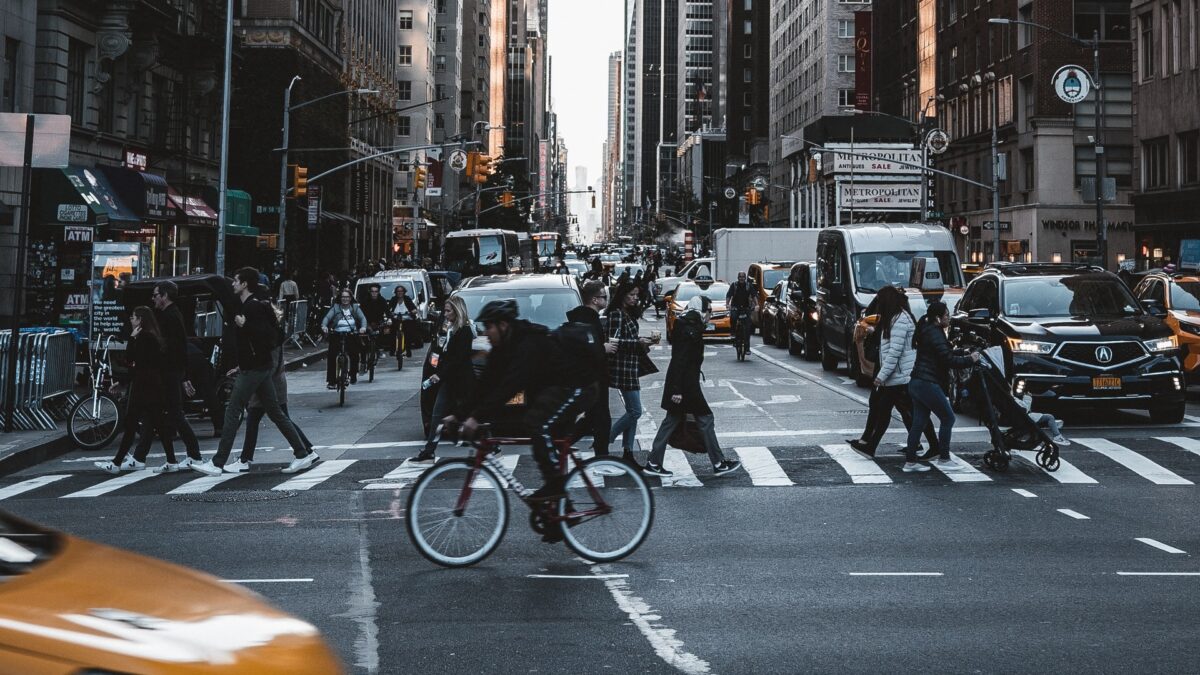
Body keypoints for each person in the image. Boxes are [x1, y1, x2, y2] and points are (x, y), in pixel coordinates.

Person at [443, 299, 597, 503]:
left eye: (488, 326)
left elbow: (509, 387)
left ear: (503, 325)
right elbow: (486, 385)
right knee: (534, 428)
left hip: (577, 386)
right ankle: (559, 514)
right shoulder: (502, 347)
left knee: (537, 423)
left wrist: (476, 417)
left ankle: (555, 489)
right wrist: (460, 414)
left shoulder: (527, 343)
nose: (485, 332)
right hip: (553, 390)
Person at [192, 267, 316, 476]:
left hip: (254, 368)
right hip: (258, 367)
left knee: (233, 410)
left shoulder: (252, 309)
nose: (233, 284)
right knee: (276, 412)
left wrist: (244, 326)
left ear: (244, 284)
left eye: (236, 281)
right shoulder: (250, 307)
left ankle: (217, 462)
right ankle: (302, 453)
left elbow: (264, 340)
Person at [643, 296, 742, 478]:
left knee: (671, 421)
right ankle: (718, 463)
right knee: (705, 419)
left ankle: (654, 462)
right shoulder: (690, 328)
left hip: (684, 384)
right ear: (702, 310)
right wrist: (677, 390)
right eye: (709, 311)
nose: (710, 316)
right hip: (686, 387)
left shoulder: (688, 324)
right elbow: (681, 360)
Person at [848, 287, 938, 457]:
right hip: (898, 375)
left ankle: (872, 446)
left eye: (880, 302)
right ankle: (872, 446)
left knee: (903, 412)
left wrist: (880, 377)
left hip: (900, 376)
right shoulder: (896, 319)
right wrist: (872, 331)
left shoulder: (899, 320)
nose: (879, 306)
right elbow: (891, 345)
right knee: (894, 411)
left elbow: (894, 353)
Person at [95, 307, 179, 474]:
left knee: (131, 424)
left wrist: (132, 339)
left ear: (140, 319)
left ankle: (116, 463)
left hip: (142, 388)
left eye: (133, 317)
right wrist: (123, 382)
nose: (131, 320)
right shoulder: (153, 337)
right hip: (153, 387)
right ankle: (171, 461)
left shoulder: (143, 338)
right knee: (159, 426)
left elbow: (131, 360)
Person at [904, 300, 980, 472]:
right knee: (948, 418)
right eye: (946, 315)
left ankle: (910, 462)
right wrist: (970, 359)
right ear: (938, 318)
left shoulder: (927, 330)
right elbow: (947, 360)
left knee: (919, 422)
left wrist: (962, 352)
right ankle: (944, 458)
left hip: (917, 381)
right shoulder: (936, 333)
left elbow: (942, 353)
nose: (949, 318)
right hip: (927, 383)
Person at [136, 281, 204, 471]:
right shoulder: (169, 314)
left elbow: (176, 348)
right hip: (170, 372)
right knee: (154, 413)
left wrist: (183, 376)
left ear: (165, 296)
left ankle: (194, 455)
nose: (153, 298)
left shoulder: (171, 316)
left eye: (156, 295)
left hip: (170, 373)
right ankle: (140, 457)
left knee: (174, 414)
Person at [412, 296, 476, 463]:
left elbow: (458, 359)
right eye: (445, 311)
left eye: (448, 311)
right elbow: (443, 355)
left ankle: (489, 445)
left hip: (462, 381)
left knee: (472, 414)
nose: (445, 314)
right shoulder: (449, 330)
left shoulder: (464, 331)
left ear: (457, 310)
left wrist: (439, 374)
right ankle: (429, 450)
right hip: (449, 380)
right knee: (437, 413)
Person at [570, 281, 620, 469]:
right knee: (601, 418)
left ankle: (564, 441)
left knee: (593, 417)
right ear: (594, 299)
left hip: (592, 376)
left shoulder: (585, 317)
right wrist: (603, 348)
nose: (606, 300)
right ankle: (602, 457)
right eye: (604, 296)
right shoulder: (587, 319)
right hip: (593, 376)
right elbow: (585, 348)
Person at [605, 280, 656, 465]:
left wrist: (642, 341)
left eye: (637, 295)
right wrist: (639, 343)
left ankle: (628, 451)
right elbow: (614, 342)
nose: (635, 298)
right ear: (623, 294)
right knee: (635, 411)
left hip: (631, 366)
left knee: (631, 411)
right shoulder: (617, 314)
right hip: (623, 367)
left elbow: (628, 339)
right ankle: (606, 437)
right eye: (632, 294)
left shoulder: (627, 313)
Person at [321, 289, 367, 388]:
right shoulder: (336, 308)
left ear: (350, 298)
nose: (345, 299)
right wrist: (324, 326)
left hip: (351, 334)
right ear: (340, 298)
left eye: (347, 297)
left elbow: (362, 318)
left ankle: (353, 375)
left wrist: (363, 328)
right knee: (332, 355)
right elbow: (327, 318)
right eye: (343, 297)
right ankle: (332, 381)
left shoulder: (355, 308)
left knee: (354, 355)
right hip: (337, 334)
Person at [725, 271, 757, 343]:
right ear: (738, 278)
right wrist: (727, 304)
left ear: (745, 278)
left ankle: (747, 348)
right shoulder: (734, 285)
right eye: (740, 277)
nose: (741, 278)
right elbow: (729, 295)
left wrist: (757, 305)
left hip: (746, 307)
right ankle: (733, 333)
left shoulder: (749, 285)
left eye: (743, 277)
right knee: (733, 317)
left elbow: (754, 295)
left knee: (748, 327)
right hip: (735, 307)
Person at [388, 285, 419, 358]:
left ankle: (408, 349)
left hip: (406, 318)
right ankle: (392, 349)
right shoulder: (393, 299)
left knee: (408, 332)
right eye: (398, 291)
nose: (400, 293)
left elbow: (413, 308)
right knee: (392, 331)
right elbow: (388, 309)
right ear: (396, 292)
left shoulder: (407, 299)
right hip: (396, 318)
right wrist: (390, 313)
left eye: (401, 291)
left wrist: (413, 311)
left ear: (404, 292)